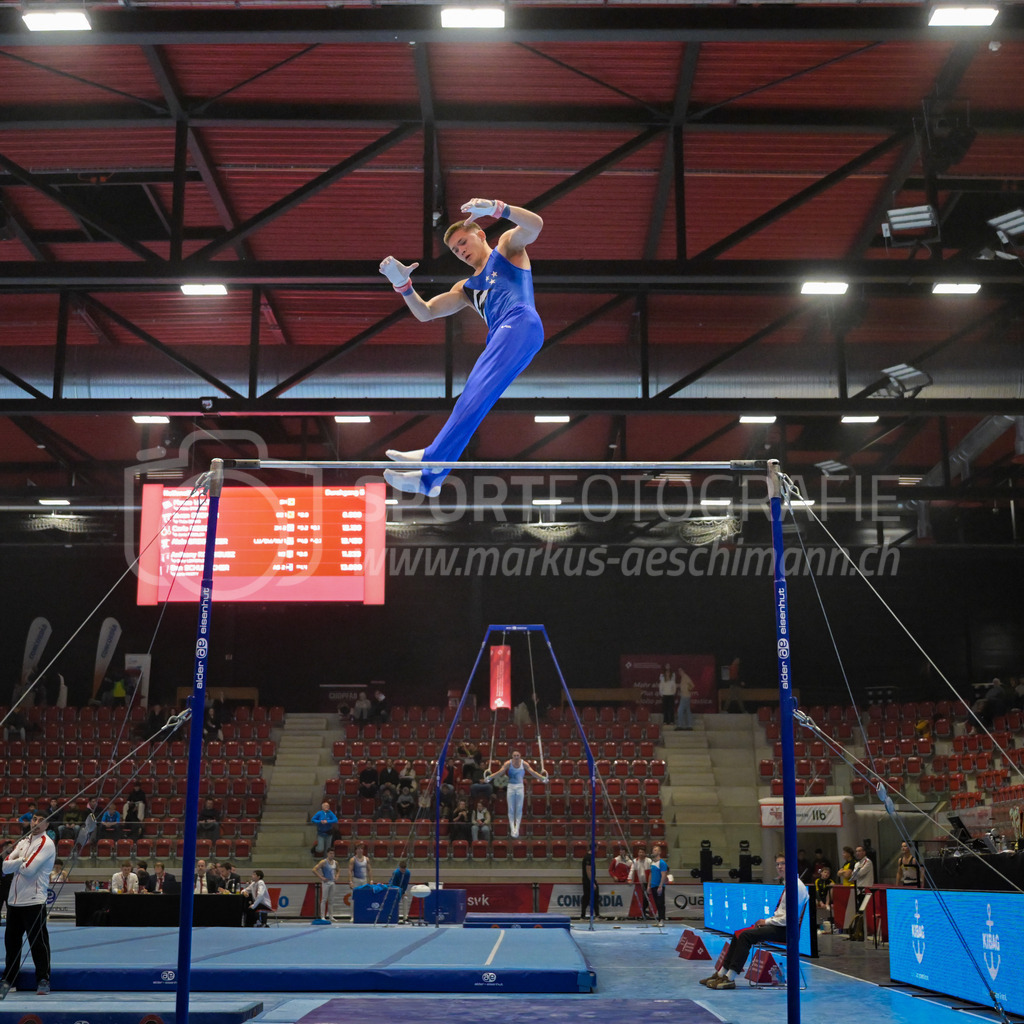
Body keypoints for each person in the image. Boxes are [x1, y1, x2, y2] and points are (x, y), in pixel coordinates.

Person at [378, 197, 545, 497]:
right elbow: (426, 312)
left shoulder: (507, 247)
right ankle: (431, 478)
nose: (461, 251)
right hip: (503, 336)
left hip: (520, 322)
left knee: (473, 396)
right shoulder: (464, 288)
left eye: (463, 242)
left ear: (480, 234)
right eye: (455, 250)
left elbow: (536, 224)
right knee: (473, 401)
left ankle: (432, 458)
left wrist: (498, 209)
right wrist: (404, 286)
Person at [700, 853, 808, 990]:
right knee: (739, 933)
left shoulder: (796, 887)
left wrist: (767, 921)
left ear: (792, 864)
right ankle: (722, 973)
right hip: (779, 926)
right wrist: (769, 921)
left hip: (786, 930)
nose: (780, 867)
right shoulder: (789, 884)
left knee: (746, 936)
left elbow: (789, 918)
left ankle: (730, 977)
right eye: (778, 864)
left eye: (783, 864)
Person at [1, 812, 56, 997]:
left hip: (33, 901)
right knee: (12, 943)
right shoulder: (24, 842)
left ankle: (43, 978)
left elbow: (29, 870)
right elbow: (4, 866)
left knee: (38, 943)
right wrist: (20, 861)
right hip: (14, 901)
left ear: (47, 825)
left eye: (41, 821)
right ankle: (9, 979)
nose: (37, 823)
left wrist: (18, 863)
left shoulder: (46, 843)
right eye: (35, 819)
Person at [485, 750, 547, 839]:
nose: (516, 757)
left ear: (520, 756)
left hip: (520, 787)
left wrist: (542, 778)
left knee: (519, 808)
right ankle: (512, 828)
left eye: (518, 755)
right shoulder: (508, 763)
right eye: (515, 755)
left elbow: (533, 772)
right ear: (512, 756)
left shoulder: (524, 763)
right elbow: (500, 772)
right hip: (510, 787)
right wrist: (490, 777)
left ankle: (516, 828)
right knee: (511, 809)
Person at [627, 844, 654, 919]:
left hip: (647, 883)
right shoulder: (635, 861)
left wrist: (650, 883)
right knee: (639, 899)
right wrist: (629, 879)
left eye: (642, 852)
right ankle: (639, 913)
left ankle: (643, 911)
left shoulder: (649, 861)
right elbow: (632, 871)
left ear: (645, 853)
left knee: (646, 899)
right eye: (640, 852)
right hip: (638, 884)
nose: (641, 854)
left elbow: (652, 872)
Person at [313, 849, 338, 921]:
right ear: (327, 854)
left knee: (331, 900)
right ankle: (322, 916)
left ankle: (331, 916)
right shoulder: (323, 862)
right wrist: (321, 877)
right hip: (326, 883)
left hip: (332, 882)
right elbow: (314, 869)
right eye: (330, 853)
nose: (332, 855)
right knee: (324, 899)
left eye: (333, 853)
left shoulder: (335, 862)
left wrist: (337, 876)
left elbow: (338, 870)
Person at [648, 843, 671, 922]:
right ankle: (659, 918)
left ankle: (662, 919)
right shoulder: (652, 863)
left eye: (655, 850)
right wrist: (648, 885)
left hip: (659, 886)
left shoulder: (662, 863)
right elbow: (650, 874)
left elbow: (663, 875)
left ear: (659, 852)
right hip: (653, 885)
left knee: (660, 903)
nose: (653, 851)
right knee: (656, 903)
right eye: (653, 850)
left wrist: (660, 886)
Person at [581, 854, 601, 920]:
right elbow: (588, 870)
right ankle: (583, 915)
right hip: (588, 881)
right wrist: (592, 882)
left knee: (594, 897)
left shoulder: (590, 857)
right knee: (587, 898)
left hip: (589, 880)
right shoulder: (588, 857)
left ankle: (597, 915)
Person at [814, 865, 834, 931]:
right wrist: (820, 902)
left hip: (827, 899)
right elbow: (817, 892)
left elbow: (830, 893)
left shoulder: (831, 882)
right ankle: (816, 922)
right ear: (821, 873)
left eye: (828, 873)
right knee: (815, 901)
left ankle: (827, 904)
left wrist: (826, 903)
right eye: (825, 872)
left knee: (831, 888)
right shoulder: (817, 881)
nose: (826, 874)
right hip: (820, 899)